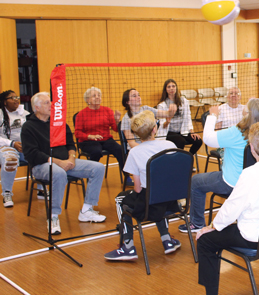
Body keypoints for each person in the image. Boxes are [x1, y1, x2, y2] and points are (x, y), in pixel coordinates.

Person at [196, 122, 259, 294]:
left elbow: (230, 209)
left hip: (257, 238)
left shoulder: (249, 174)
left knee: (205, 241)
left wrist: (211, 227)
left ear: (251, 148)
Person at [179, 98, 259, 233]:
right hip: (256, 183)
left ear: (246, 113)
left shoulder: (237, 132)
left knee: (196, 182)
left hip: (233, 183)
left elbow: (208, 139)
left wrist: (212, 115)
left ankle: (197, 223)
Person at [22, 92, 107, 235]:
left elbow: (70, 144)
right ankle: (53, 216)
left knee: (98, 168)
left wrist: (71, 159)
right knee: (59, 173)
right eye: (46, 102)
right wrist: (58, 162)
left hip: (66, 161)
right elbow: (32, 154)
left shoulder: (59, 122)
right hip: (42, 165)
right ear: (36, 107)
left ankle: (86, 210)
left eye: (51, 102)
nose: (51, 105)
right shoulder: (28, 127)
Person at [104, 110, 181, 260]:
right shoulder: (170, 144)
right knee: (160, 193)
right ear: (154, 129)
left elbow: (138, 189)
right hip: (172, 201)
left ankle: (128, 246)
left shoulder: (135, 152)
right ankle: (167, 241)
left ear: (137, 133)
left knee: (120, 199)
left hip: (149, 205)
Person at [1, 90, 36, 207]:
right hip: (5, 146)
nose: (16, 99)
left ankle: (41, 188)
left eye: (17, 97)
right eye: (12, 98)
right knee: (10, 160)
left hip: (24, 146)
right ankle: (7, 193)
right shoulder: (1, 114)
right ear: (4, 102)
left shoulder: (23, 113)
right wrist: (12, 143)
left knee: (39, 156)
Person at [74, 87, 124, 171]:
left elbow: (115, 129)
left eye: (99, 95)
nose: (97, 97)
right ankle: (91, 174)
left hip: (106, 140)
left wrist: (117, 121)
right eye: (94, 96)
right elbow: (77, 133)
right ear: (87, 100)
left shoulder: (107, 110)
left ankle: (127, 177)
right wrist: (90, 136)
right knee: (96, 152)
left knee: (120, 150)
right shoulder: (81, 114)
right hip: (88, 141)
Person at [157, 79, 202, 157]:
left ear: (176, 88)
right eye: (169, 87)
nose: (171, 88)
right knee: (180, 141)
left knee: (198, 141)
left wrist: (192, 131)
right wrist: (168, 121)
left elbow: (188, 117)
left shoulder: (183, 101)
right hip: (169, 132)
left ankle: (188, 159)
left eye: (173, 86)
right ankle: (179, 163)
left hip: (182, 131)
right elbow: (163, 126)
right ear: (165, 90)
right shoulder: (162, 105)